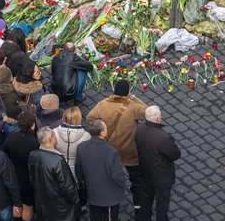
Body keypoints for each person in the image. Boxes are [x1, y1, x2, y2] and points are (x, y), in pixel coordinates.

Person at [87, 80, 148, 219]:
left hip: (110, 150)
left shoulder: (103, 105)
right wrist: (133, 97)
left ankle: (110, 204)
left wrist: (103, 129)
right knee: (137, 180)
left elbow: (90, 117)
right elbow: (147, 111)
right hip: (130, 152)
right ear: (127, 92)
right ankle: (138, 207)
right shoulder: (132, 107)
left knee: (109, 177)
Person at [135, 106, 181, 221]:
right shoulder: (164, 138)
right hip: (162, 178)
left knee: (146, 199)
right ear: (158, 119)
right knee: (162, 204)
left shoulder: (138, 129)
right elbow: (175, 155)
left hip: (145, 172)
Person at [75, 120, 127, 221]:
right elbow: (117, 175)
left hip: (93, 194)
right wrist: (123, 183)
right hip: (110, 197)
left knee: (95, 217)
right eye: (106, 128)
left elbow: (78, 169)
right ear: (102, 133)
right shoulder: (111, 152)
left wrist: (83, 185)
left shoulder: (81, 147)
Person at [28, 127, 80, 221]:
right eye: (55, 136)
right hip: (60, 208)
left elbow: (32, 178)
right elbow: (68, 187)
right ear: (51, 139)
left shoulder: (33, 155)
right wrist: (76, 201)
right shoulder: (57, 161)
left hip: (42, 205)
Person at [2, 111, 39, 221]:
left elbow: (3, 152)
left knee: (17, 203)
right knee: (28, 206)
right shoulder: (35, 143)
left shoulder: (12, 136)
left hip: (13, 175)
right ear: (32, 126)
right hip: (28, 179)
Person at [54, 107, 91, 178]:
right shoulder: (86, 137)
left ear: (63, 118)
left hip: (59, 169)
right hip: (78, 172)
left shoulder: (54, 132)